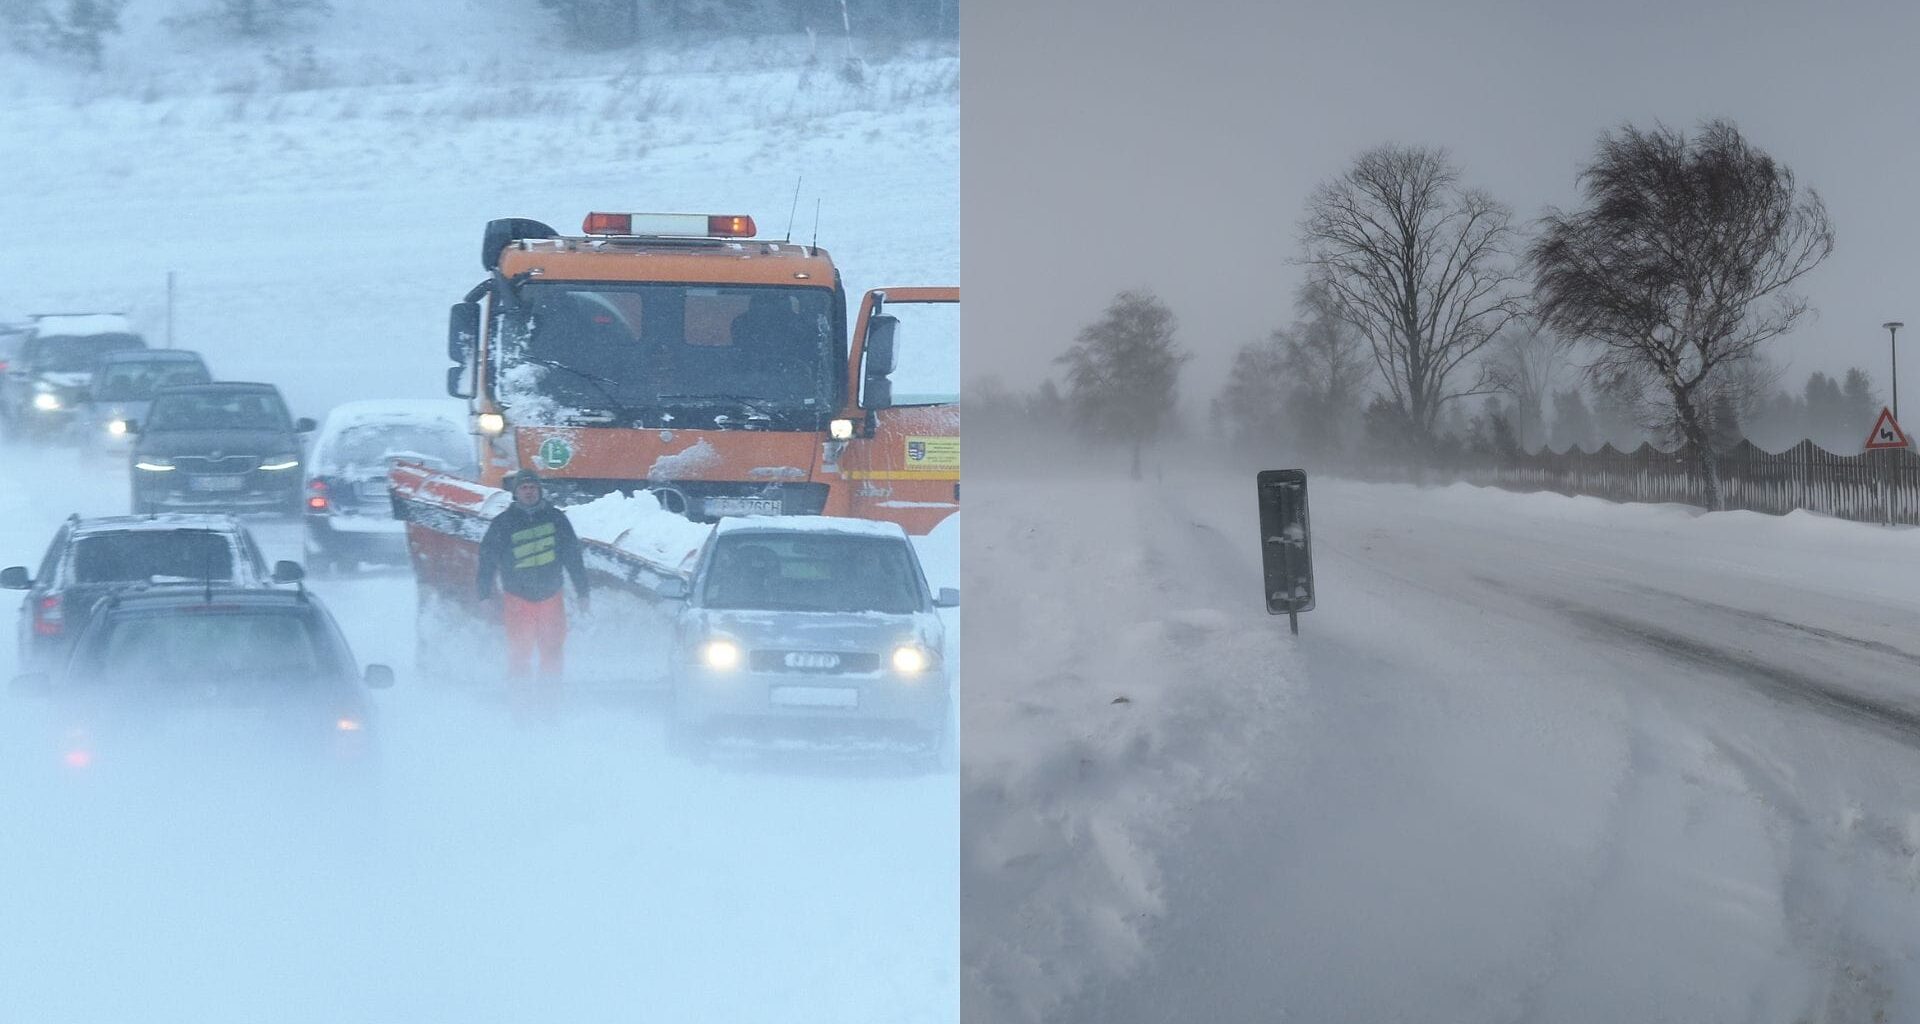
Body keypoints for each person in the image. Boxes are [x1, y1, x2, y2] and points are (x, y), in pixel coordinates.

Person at [476, 470, 591, 704]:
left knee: (553, 651)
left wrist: (583, 592)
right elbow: (487, 560)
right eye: (524, 488)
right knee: (519, 655)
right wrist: (484, 595)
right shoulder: (503, 523)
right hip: (517, 600)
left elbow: (573, 557)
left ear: (539, 491)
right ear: (516, 493)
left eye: (533, 487)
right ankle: (521, 707)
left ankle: (549, 705)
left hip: (551, 598)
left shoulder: (556, 519)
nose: (529, 492)